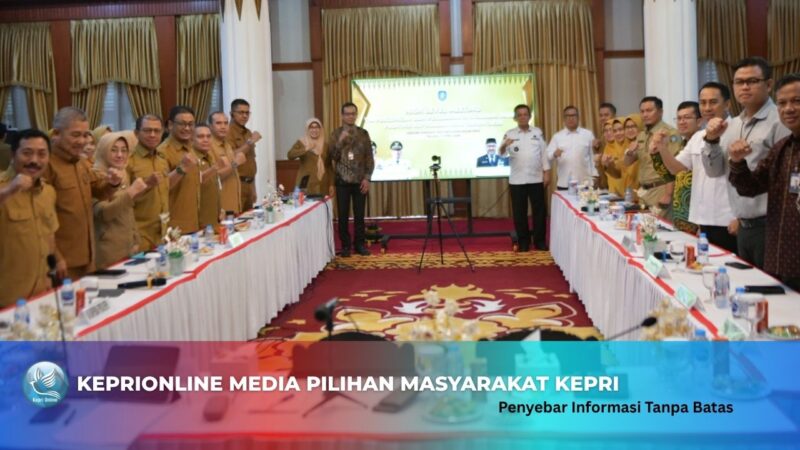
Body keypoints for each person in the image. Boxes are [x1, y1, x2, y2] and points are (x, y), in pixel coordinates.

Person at [701, 57, 791, 268]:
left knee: (772, 285)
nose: (745, 87)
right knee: (747, 284)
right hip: (743, 225)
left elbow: (786, 175)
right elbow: (714, 171)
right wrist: (711, 140)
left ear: (768, 84)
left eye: (752, 81)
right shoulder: (733, 125)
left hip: (772, 224)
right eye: (739, 82)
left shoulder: (780, 121)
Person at [728, 73, 800, 291]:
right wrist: (738, 162)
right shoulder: (782, 148)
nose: (789, 109)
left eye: (796, 101)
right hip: (784, 255)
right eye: (782, 103)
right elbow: (750, 187)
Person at [652, 83, 738, 253]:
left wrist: (740, 218)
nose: (707, 108)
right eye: (703, 103)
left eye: (713, 102)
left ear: (727, 104)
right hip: (704, 218)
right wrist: (662, 148)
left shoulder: (737, 130)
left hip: (729, 219)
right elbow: (677, 169)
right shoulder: (699, 136)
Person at [45, 107, 121, 279]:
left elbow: (99, 193)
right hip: (63, 262)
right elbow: (41, 221)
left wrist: (113, 183)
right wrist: (56, 257)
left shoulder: (81, 163)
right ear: (56, 134)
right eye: (75, 135)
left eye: (85, 135)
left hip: (88, 257)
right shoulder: (47, 166)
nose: (82, 141)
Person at [0, 129, 59, 307]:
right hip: (8, 297)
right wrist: (10, 191)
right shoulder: (4, 187)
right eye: (27, 153)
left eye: (42, 154)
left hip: (41, 292)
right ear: (13, 155)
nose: (34, 160)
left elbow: (49, 235)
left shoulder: (48, 192)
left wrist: (50, 272)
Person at [499, 104, 551, 252]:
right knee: (519, 213)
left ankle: (540, 241)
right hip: (517, 180)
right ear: (515, 118)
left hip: (536, 178)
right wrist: (504, 145)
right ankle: (523, 241)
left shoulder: (537, 132)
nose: (522, 117)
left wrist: (547, 172)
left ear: (529, 116)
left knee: (539, 212)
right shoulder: (509, 134)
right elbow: (501, 154)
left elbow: (544, 153)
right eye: (519, 114)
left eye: (525, 114)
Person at [93, 132, 148, 269]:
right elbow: (103, 214)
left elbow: (128, 211)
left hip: (128, 247)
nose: (120, 155)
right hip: (108, 250)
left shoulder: (122, 172)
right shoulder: (95, 175)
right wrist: (131, 192)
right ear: (103, 150)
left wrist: (135, 239)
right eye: (113, 150)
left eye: (124, 150)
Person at [327, 101, 374, 257]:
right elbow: (332, 157)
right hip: (342, 181)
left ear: (356, 115)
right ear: (342, 116)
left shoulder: (363, 134)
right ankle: (346, 246)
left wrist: (367, 178)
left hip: (360, 181)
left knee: (359, 215)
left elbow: (369, 158)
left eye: (353, 114)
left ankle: (359, 244)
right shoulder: (335, 134)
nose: (350, 116)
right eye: (347, 114)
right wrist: (340, 141)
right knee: (343, 216)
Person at [623, 96, 682, 217]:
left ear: (660, 112)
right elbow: (627, 162)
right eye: (642, 111)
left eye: (649, 110)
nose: (645, 114)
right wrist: (629, 152)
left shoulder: (670, 133)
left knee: (659, 228)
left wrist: (668, 194)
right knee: (644, 227)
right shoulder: (641, 135)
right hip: (644, 192)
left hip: (660, 190)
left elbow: (672, 166)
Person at [651, 101, 702, 234]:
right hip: (681, 212)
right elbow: (670, 175)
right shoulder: (683, 144)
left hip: (698, 213)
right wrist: (655, 154)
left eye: (687, 118)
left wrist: (662, 147)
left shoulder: (704, 143)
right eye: (679, 118)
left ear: (699, 121)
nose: (682, 122)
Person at [128, 114, 170, 250]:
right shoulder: (129, 161)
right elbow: (121, 200)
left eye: (157, 131)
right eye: (147, 130)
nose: (152, 135)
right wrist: (147, 184)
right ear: (136, 133)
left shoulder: (162, 160)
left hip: (163, 234)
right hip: (140, 236)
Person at [159, 105, 201, 234]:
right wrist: (182, 168)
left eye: (191, 124)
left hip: (195, 220)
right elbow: (161, 188)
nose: (187, 128)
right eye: (182, 124)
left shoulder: (192, 148)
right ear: (170, 125)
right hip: (175, 226)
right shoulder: (162, 151)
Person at [547, 106, 595, 189]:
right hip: (564, 183)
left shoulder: (588, 134)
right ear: (564, 119)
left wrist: (595, 176)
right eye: (567, 116)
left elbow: (593, 158)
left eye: (573, 115)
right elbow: (547, 156)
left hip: (585, 183)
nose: (570, 118)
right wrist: (554, 154)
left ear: (578, 117)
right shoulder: (557, 137)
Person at [226, 99, 262, 209]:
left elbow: (251, 161)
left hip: (249, 184)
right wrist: (250, 142)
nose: (245, 116)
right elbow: (232, 156)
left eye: (247, 113)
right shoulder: (227, 132)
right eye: (241, 112)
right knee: (236, 217)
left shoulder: (248, 132)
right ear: (232, 113)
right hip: (236, 183)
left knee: (249, 218)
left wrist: (253, 188)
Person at [208, 111, 246, 214]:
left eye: (225, 123)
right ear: (210, 126)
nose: (223, 127)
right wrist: (235, 163)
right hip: (220, 208)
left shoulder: (227, 145)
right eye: (218, 123)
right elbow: (212, 178)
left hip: (234, 204)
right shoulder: (208, 147)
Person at [287, 118, 333, 197]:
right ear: (307, 129)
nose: (314, 130)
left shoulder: (325, 145)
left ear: (320, 129)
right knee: (303, 204)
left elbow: (329, 166)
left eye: (317, 127)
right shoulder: (302, 142)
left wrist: (331, 184)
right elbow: (290, 155)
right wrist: (306, 149)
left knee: (321, 204)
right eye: (311, 127)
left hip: (322, 184)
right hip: (305, 183)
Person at [193, 124, 221, 229]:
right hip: (198, 221)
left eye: (208, 136)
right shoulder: (191, 158)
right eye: (200, 136)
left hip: (213, 216)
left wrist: (220, 208)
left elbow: (216, 184)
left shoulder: (210, 157)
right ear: (191, 139)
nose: (205, 140)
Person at [601, 118, 627, 196]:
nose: (608, 133)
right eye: (605, 131)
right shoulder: (606, 148)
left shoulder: (626, 146)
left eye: (611, 130)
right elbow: (607, 175)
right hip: (613, 193)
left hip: (627, 191)